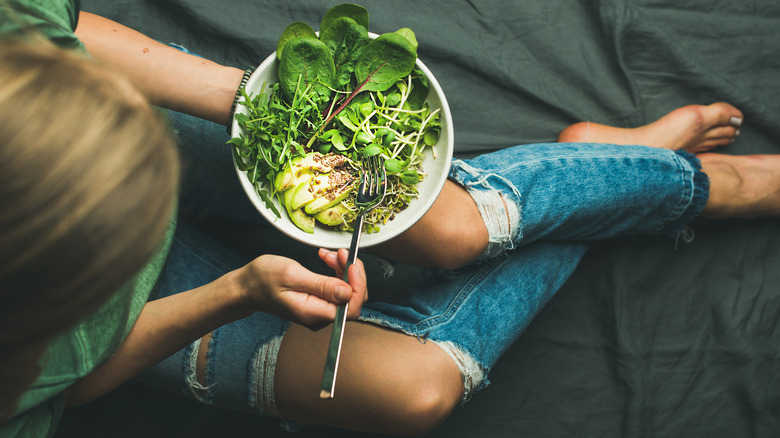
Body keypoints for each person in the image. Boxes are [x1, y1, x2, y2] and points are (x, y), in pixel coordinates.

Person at [2, 2, 778, 437]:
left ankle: (708, 186)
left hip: (114, 111)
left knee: (450, 230)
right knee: (415, 392)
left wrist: (266, 109)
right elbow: (70, 383)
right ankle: (603, 173)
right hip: (92, 290)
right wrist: (237, 288)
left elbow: (47, 25)